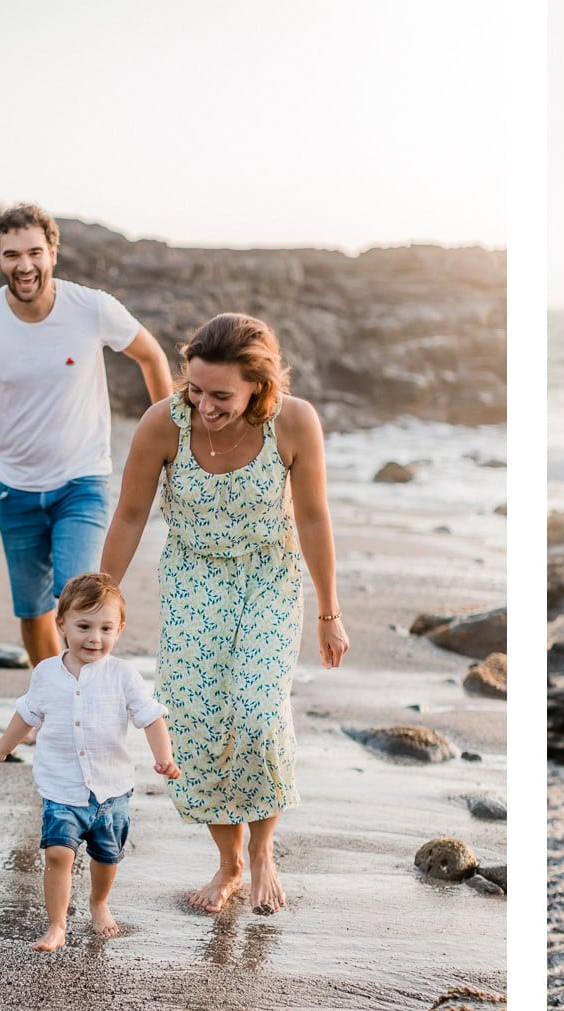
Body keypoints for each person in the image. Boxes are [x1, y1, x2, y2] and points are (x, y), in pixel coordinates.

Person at [100, 312, 349, 916]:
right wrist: (102, 593)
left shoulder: (295, 422)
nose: (204, 407)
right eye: (195, 389)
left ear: (258, 388)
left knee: (259, 715)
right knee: (198, 725)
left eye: (221, 396)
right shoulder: (164, 425)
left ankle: (263, 851)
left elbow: (313, 517)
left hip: (269, 576)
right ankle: (228, 861)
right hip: (192, 579)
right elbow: (132, 514)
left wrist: (328, 612)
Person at [0, 202, 175, 669]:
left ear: (53, 253)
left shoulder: (91, 307)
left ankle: (88, 699)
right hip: (16, 490)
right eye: (11, 255)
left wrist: (168, 430)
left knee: (80, 600)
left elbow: (151, 356)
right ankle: (53, 702)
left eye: (34, 252)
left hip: (81, 484)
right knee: (33, 611)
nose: (24, 265)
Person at [0, 572, 181, 952]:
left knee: (106, 857)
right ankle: (56, 925)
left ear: (119, 628)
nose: (94, 638)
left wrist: (163, 757)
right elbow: (26, 715)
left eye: (105, 628)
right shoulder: (46, 674)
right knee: (57, 853)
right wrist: (0, 751)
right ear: (61, 625)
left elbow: (150, 716)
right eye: (83, 626)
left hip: (112, 789)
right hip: (62, 787)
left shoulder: (123, 675)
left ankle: (99, 903)